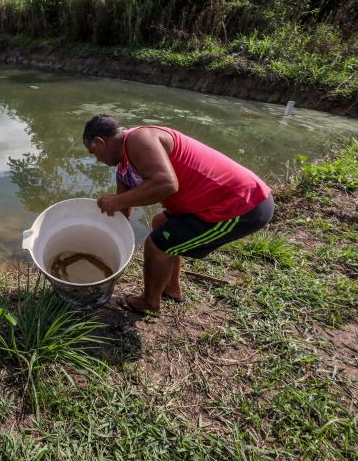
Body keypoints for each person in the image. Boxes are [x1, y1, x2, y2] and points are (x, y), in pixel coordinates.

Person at [83, 114, 274, 314]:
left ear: (100, 142)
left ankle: (149, 303)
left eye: (94, 152)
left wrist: (115, 201)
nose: (97, 160)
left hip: (242, 204)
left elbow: (166, 183)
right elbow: (122, 211)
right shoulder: (124, 166)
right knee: (159, 223)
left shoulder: (139, 139)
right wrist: (102, 236)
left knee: (156, 245)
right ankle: (171, 288)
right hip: (207, 204)